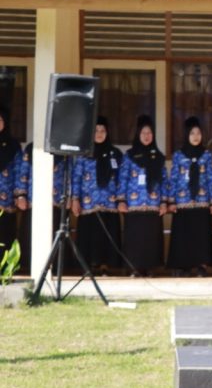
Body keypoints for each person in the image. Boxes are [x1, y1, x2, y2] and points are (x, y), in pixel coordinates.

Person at [117, 115, 170, 277]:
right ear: (138, 135)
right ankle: (134, 268)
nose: (146, 136)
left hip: (153, 205)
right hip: (133, 205)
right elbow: (122, 178)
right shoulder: (129, 156)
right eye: (143, 133)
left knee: (151, 238)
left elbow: (164, 181)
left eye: (149, 133)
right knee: (135, 238)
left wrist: (164, 202)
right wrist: (121, 200)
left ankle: (150, 268)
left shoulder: (159, 157)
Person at [166, 116, 212, 277]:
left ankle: (201, 266)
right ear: (187, 135)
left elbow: (211, 178)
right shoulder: (179, 155)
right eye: (192, 133)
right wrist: (171, 200)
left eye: (198, 133)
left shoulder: (207, 155)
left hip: (202, 202)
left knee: (201, 235)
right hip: (182, 202)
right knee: (183, 235)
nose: (196, 136)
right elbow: (173, 178)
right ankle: (183, 266)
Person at [71, 116, 123, 275]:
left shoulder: (115, 153)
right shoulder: (84, 153)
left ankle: (106, 265)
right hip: (89, 204)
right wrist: (75, 199)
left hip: (109, 204)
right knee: (90, 235)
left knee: (107, 234)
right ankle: (90, 266)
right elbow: (76, 177)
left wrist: (121, 199)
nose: (100, 134)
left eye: (103, 130)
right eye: (96, 130)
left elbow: (121, 178)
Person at [14, 144, 67, 274]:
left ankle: (55, 267)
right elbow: (23, 172)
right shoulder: (31, 148)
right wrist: (21, 195)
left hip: (56, 200)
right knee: (31, 233)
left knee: (55, 231)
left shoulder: (63, 148)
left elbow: (68, 174)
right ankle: (29, 267)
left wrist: (70, 196)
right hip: (34, 200)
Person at [0, 107, 21, 265]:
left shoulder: (13, 145)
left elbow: (19, 169)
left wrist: (19, 194)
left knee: (5, 233)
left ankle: (6, 267)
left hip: (7, 198)